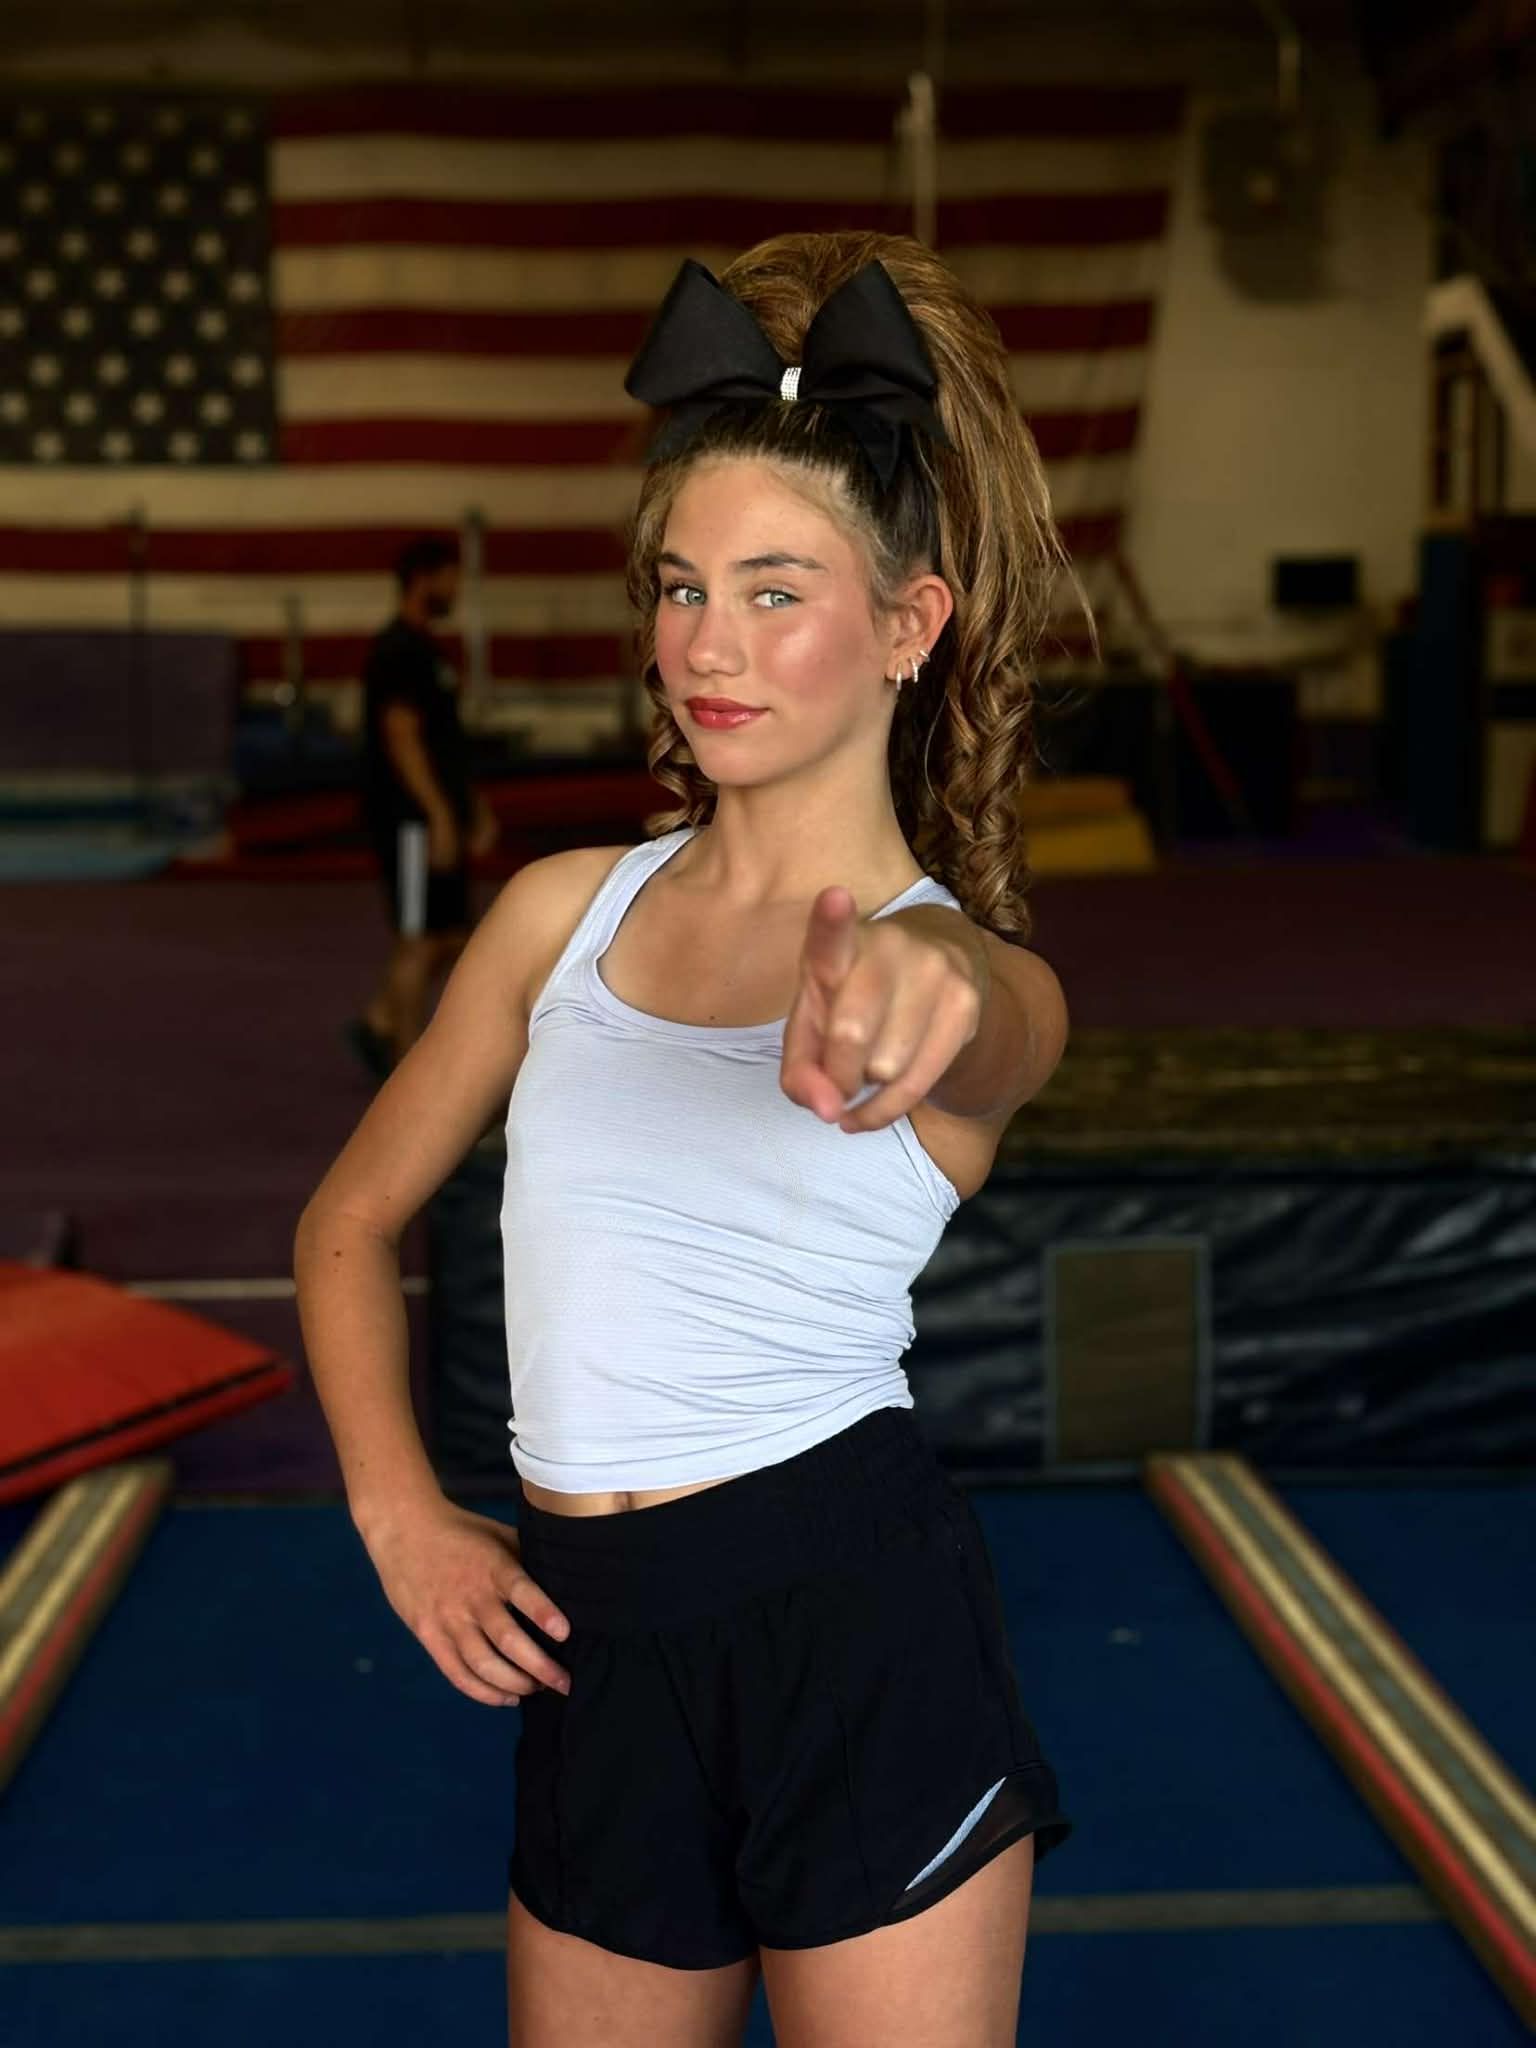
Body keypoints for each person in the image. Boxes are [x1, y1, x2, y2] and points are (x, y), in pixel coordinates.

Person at [295, 231, 1082, 2047]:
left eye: (774, 591)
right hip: (596, 1644)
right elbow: (349, 1221)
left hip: (852, 1630)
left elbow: (1007, 1016)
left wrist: (930, 983)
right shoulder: (553, 914)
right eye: (678, 586)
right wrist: (401, 1508)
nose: (706, 647)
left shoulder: (944, 962)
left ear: (909, 622)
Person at [348, 533, 500, 1075]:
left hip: (434, 816)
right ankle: (405, 1065)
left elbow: (442, 741)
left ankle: (380, 1021)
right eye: (450, 577)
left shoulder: (427, 651)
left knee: (452, 934)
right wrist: (436, 814)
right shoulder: (397, 651)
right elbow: (401, 736)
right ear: (425, 579)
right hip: (410, 823)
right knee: (417, 939)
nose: (456, 588)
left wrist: (471, 807)